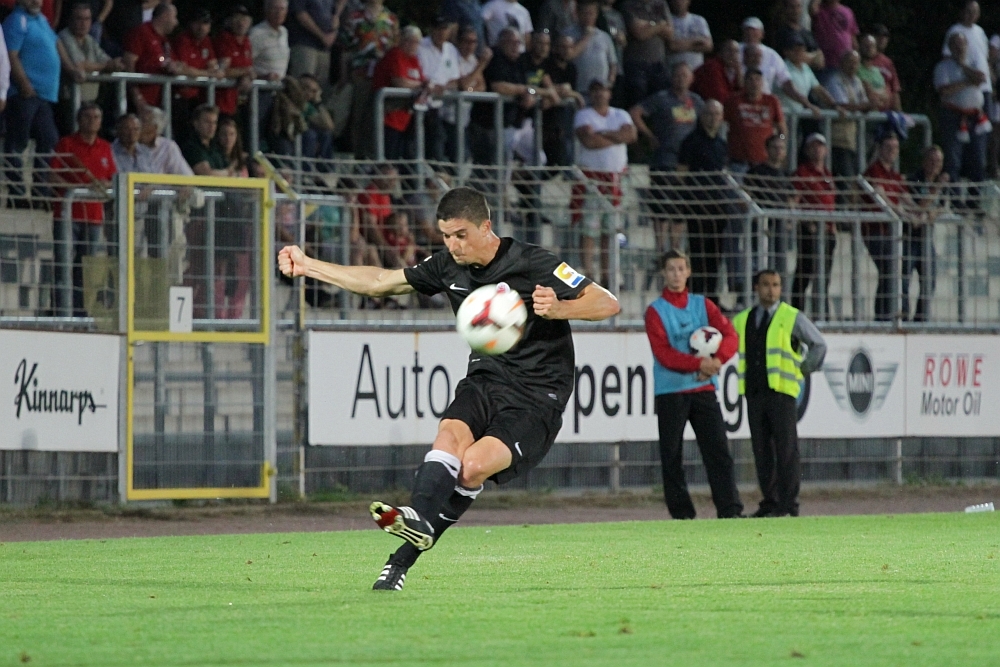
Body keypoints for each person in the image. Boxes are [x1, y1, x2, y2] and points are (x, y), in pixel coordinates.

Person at [277, 186, 620, 590]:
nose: (453, 245)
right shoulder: (447, 266)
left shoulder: (532, 263)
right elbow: (380, 281)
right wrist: (308, 266)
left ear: (486, 227)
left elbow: (606, 302)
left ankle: (401, 560)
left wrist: (562, 308)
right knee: (449, 436)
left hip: (537, 395)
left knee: (472, 467)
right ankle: (415, 521)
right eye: (445, 236)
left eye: (460, 235)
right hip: (486, 378)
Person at [645, 249, 744, 520]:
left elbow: (730, 335)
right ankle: (682, 514)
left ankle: (730, 510)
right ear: (664, 273)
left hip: (703, 389)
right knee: (672, 455)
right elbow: (664, 354)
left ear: (688, 271)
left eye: (681, 269)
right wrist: (701, 364)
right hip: (671, 391)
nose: (676, 274)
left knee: (718, 452)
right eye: (671, 269)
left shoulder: (703, 305)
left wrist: (718, 360)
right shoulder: (655, 312)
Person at [733, 269, 826, 518]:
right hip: (754, 391)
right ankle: (771, 502)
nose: (771, 290)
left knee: (786, 450)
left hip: (782, 392)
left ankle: (788, 504)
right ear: (756, 288)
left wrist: (803, 369)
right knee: (761, 450)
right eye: (766, 285)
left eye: (775, 285)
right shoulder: (744, 319)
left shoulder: (791, 317)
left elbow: (818, 344)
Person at [630, 61, 703, 253]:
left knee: (680, 208)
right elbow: (636, 112)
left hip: (686, 163)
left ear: (691, 79)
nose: (681, 79)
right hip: (663, 160)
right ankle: (661, 249)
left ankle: (676, 249)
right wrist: (649, 136)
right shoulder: (662, 98)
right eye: (677, 75)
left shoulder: (696, 101)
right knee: (660, 207)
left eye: (685, 75)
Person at [51, 102, 116, 315]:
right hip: (67, 215)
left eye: (96, 117)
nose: (92, 121)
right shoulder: (66, 144)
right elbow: (52, 176)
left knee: (85, 268)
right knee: (63, 264)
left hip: (94, 217)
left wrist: (105, 184)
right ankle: (60, 311)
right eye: (87, 117)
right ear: (79, 120)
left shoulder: (105, 147)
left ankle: (80, 312)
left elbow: (112, 178)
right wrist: (75, 190)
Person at [572, 78, 636, 286]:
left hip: (616, 180)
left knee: (611, 230)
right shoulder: (584, 115)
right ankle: (589, 273)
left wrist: (603, 133)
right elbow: (589, 141)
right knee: (589, 229)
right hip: (592, 180)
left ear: (610, 93)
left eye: (604, 90)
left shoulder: (621, 114)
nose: (600, 94)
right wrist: (616, 136)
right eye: (596, 90)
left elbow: (630, 135)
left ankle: (608, 275)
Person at [676, 99, 729, 303]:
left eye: (716, 114)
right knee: (698, 255)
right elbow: (682, 173)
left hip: (718, 208)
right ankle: (696, 297)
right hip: (697, 207)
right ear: (701, 115)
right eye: (709, 113)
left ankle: (712, 298)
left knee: (715, 255)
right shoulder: (691, 141)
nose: (712, 118)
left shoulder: (722, 145)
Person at [3, 0, 64, 158]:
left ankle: (41, 174)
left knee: (49, 139)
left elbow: (56, 42)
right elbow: (10, 55)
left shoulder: (42, 19)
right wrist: (23, 83)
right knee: (18, 141)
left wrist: (71, 67)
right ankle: (13, 174)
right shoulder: (17, 20)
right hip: (24, 94)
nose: (36, 1)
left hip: (42, 95)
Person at [341, 0, 398, 158]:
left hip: (384, 76)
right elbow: (345, 48)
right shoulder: (355, 17)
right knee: (359, 117)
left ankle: (376, 157)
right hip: (361, 74)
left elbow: (395, 48)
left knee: (379, 118)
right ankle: (359, 157)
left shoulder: (391, 19)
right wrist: (344, 76)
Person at [863, 128, 909, 322]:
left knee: (890, 272)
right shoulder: (874, 171)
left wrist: (920, 213)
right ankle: (884, 315)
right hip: (876, 231)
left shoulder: (895, 176)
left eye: (895, 148)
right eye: (888, 147)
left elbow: (907, 199)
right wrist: (901, 212)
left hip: (890, 232)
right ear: (880, 149)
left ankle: (890, 314)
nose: (892, 151)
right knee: (888, 270)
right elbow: (881, 197)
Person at [935, 32, 990, 188]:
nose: (960, 49)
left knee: (978, 160)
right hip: (953, 116)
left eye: (962, 45)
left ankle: (975, 198)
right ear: (950, 47)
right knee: (954, 159)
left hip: (976, 117)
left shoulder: (973, 63)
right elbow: (944, 91)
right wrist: (967, 82)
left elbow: (981, 78)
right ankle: (955, 197)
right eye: (956, 45)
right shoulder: (943, 67)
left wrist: (963, 66)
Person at [791, 133, 836, 317]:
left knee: (824, 276)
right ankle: (796, 312)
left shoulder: (827, 174)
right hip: (810, 230)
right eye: (813, 146)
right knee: (805, 272)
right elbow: (795, 199)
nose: (817, 150)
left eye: (820, 146)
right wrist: (804, 221)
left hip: (827, 231)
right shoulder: (802, 172)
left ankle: (821, 313)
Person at [905, 145, 949, 322]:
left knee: (929, 281)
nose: (935, 165)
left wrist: (934, 212)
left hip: (926, 238)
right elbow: (919, 206)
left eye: (938, 161)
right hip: (909, 237)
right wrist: (936, 189)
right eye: (931, 160)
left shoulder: (941, 182)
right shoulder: (915, 179)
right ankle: (903, 317)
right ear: (924, 161)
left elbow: (943, 206)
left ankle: (921, 318)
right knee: (903, 281)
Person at [371, 26, 425, 161]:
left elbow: (421, 80)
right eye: (411, 41)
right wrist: (421, 85)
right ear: (403, 40)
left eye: (417, 42)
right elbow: (399, 81)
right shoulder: (395, 54)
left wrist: (423, 85)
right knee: (389, 157)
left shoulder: (414, 59)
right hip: (389, 116)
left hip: (406, 117)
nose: (414, 46)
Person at [171, 9, 223, 140]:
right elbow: (182, 69)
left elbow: (213, 67)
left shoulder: (206, 41)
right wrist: (206, 73)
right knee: (182, 136)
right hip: (179, 97)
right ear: (191, 24)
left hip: (196, 99)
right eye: (198, 23)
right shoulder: (183, 39)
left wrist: (213, 71)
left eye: (205, 23)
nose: (201, 27)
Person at [745, 134, 793, 275]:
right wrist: (754, 215)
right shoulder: (756, 172)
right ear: (767, 149)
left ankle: (780, 290)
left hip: (780, 224)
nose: (778, 151)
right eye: (775, 147)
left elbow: (791, 198)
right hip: (761, 224)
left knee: (780, 263)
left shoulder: (786, 175)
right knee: (759, 262)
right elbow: (746, 195)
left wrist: (790, 219)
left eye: (781, 148)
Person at [722, 68, 786, 171]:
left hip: (764, 161)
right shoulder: (733, 101)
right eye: (750, 80)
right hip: (738, 160)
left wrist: (780, 141)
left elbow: (782, 129)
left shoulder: (772, 101)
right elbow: (722, 124)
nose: (754, 83)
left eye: (757, 79)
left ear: (762, 82)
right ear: (744, 82)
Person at [417, 17, 461, 162]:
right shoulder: (420, 45)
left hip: (444, 107)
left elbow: (455, 79)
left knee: (441, 142)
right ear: (431, 29)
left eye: (444, 29)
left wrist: (444, 87)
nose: (441, 33)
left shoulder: (451, 49)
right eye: (438, 29)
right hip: (423, 102)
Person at [123, 2, 181, 109]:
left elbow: (174, 63)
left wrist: (174, 67)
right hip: (139, 102)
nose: (176, 22)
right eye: (174, 17)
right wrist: (137, 97)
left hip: (158, 102)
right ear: (165, 16)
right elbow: (129, 63)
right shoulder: (141, 32)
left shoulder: (165, 42)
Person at [826, 50, 871, 180]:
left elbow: (865, 104)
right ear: (842, 63)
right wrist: (866, 106)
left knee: (855, 178)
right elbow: (842, 105)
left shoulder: (857, 81)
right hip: (838, 140)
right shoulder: (834, 80)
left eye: (856, 63)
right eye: (850, 62)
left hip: (853, 140)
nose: (853, 66)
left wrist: (868, 105)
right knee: (846, 179)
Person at [620, 0, 672, 106]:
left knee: (662, 101)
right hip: (636, 63)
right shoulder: (629, 4)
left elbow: (670, 33)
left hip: (659, 63)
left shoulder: (661, 4)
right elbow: (639, 33)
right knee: (637, 100)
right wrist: (660, 24)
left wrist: (648, 26)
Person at [214, 6, 256, 122]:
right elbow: (222, 71)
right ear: (230, 21)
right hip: (221, 101)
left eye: (244, 20)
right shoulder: (225, 39)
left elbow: (248, 67)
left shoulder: (246, 41)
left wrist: (247, 75)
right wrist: (245, 72)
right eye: (237, 19)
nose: (241, 23)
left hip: (238, 101)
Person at [942, 1, 991, 102]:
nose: (972, 15)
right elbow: (947, 56)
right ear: (962, 12)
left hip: (985, 85)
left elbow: (985, 58)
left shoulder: (980, 31)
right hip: (966, 85)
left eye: (975, 12)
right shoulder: (955, 31)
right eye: (969, 11)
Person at [568, 0, 618, 96]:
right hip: (578, 91)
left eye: (591, 14)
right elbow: (568, 56)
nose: (588, 17)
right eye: (585, 13)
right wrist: (586, 37)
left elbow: (613, 64)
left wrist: (610, 83)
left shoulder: (604, 37)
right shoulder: (569, 34)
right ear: (578, 14)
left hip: (600, 92)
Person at [139, 106, 195, 176]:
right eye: (138, 119)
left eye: (143, 121)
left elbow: (186, 177)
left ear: (155, 127)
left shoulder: (167, 147)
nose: (137, 124)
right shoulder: (130, 144)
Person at [812, 0, 858, 81]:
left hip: (847, 65)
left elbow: (853, 35)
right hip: (827, 64)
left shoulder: (848, 11)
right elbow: (812, 9)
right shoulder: (820, 10)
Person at [773, 0, 823, 69]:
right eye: (792, 7)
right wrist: (812, 58)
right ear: (786, 9)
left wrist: (807, 57)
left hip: (811, 73)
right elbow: (796, 57)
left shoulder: (806, 32)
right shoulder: (783, 33)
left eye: (798, 7)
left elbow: (820, 58)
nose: (795, 10)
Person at [691, 38, 741, 105]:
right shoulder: (711, 67)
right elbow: (719, 98)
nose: (733, 55)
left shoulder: (734, 70)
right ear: (720, 53)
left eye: (736, 51)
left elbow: (743, 94)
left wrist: (739, 73)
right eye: (729, 51)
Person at [666, 0, 711, 72]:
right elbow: (672, 46)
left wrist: (680, 44)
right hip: (674, 72)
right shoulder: (667, 21)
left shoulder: (698, 20)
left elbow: (708, 46)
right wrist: (697, 42)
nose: (679, 2)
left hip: (696, 70)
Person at [870, 24, 901, 113]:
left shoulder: (888, 62)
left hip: (888, 112)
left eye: (885, 36)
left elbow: (895, 89)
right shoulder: (864, 60)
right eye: (879, 35)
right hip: (871, 111)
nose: (882, 39)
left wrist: (899, 113)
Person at [857, 34, 891, 112]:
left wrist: (877, 96)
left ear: (876, 49)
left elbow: (886, 96)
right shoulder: (856, 69)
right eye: (866, 46)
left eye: (872, 46)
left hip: (878, 114)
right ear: (860, 47)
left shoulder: (877, 71)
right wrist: (878, 96)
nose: (869, 48)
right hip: (862, 114)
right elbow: (868, 93)